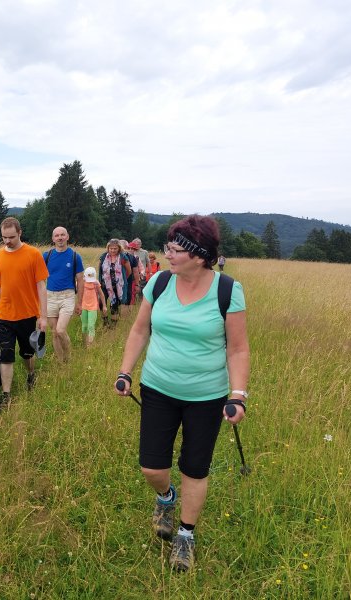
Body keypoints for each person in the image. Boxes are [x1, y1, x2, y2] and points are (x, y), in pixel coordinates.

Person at [114, 215, 249, 572]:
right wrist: (125, 371)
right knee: (151, 466)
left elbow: (237, 349)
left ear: (199, 254)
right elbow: (140, 331)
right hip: (158, 387)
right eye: (168, 247)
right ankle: (165, 497)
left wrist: (238, 394)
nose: (167, 254)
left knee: (194, 466)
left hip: (207, 396)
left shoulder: (227, 290)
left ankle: (186, 536)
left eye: (175, 249)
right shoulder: (158, 283)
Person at [0, 216, 49, 403]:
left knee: (27, 353)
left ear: (20, 233)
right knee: (6, 355)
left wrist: (43, 317)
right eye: (4, 237)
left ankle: (31, 374)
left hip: (27, 314)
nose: (7, 241)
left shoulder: (33, 254)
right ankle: (6, 395)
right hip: (4, 315)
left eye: (11, 237)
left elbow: (42, 287)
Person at [42, 226, 84, 362]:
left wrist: (80, 302)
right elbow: (39, 279)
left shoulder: (74, 256)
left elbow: (80, 280)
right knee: (54, 332)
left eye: (62, 235)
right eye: (57, 235)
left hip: (68, 296)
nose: (60, 238)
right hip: (50, 296)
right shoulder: (46, 256)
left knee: (60, 330)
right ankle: (61, 362)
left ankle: (68, 357)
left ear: (67, 237)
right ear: (53, 238)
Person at [98, 239, 132, 324]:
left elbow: (129, 271)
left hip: (117, 286)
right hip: (104, 285)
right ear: (108, 248)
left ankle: (113, 325)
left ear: (119, 248)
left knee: (114, 305)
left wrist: (121, 281)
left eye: (115, 248)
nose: (113, 250)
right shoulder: (103, 257)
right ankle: (105, 322)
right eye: (111, 248)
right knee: (101, 303)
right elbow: (100, 270)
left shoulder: (123, 257)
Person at [79, 266, 106, 347]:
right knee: (84, 326)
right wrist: (78, 305)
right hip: (83, 306)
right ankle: (85, 342)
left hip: (93, 307)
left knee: (91, 326)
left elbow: (101, 294)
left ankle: (90, 345)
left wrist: (104, 306)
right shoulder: (82, 283)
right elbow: (79, 294)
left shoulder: (96, 283)